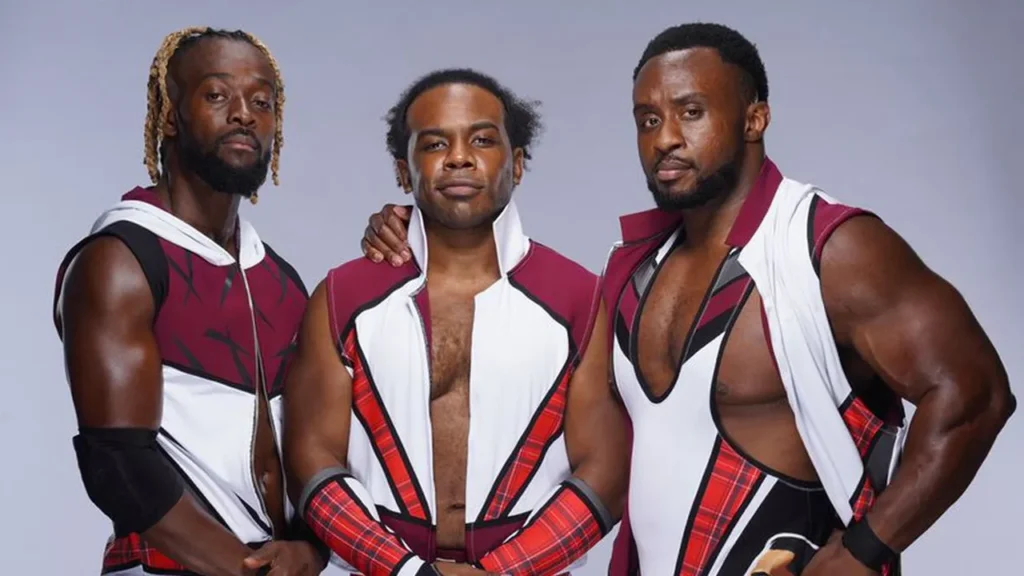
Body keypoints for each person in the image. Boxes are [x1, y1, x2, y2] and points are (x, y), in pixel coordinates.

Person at [358, 23, 1015, 576]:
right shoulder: (630, 270)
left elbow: (975, 395)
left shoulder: (830, 250)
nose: (665, 137)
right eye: (648, 119)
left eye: (691, 112)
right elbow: (575, 434)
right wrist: (423, 229)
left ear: (756, 117)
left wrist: (867, 549)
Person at [282, 68, 630, 576]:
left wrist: (500, 573)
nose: (460, 156)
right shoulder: (343, 296)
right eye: (435, 143)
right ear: (404, 171)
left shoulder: (579, 297)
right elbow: (310, 459)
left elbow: (606, 473)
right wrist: (405, 571)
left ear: (518, 164)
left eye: (483, 139)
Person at [53, 27, 327, 576]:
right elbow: (119, 465)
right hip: (171, 565)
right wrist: (242, 569)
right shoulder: (121, 257)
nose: (245, 114)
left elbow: (312, 441)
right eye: (217, 95)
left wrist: (312, 550)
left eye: (263, 102)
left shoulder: (278, 277)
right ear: (172, 115)